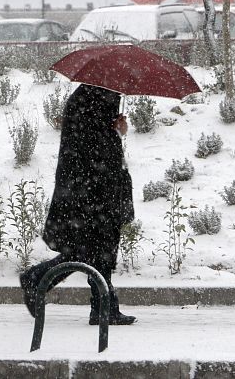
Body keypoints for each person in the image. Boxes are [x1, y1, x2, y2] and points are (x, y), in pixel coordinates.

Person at [19, 84, 136, 325]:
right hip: (92, 195)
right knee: (92, 250)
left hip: (93, 194)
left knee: (94, 251)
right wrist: (113, 132)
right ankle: (39, 279)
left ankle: (102, 307)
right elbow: (94, 152)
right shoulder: (91, 105)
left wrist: (114, 129)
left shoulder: (91, 101)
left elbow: (95, 147)